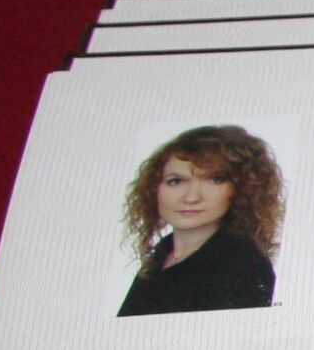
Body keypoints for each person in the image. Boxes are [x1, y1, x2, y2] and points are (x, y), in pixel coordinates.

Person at [117, 125, 283, 316]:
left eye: (214, 180)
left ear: (241, 189)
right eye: (175, 181)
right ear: (154, 189)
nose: (191, 197)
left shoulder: (242, 263)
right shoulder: (161, 255)